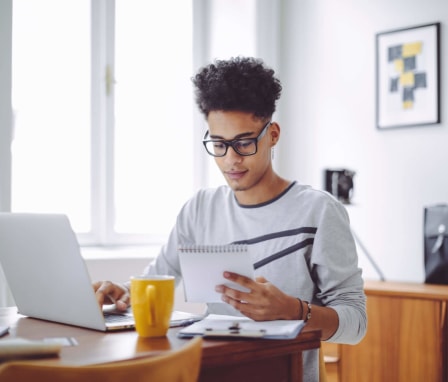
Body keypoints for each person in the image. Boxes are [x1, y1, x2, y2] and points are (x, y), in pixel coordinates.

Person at [94, 56, 367, 381]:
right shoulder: (199, 209)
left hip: (283, 373)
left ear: (273, 134)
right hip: (213, 371)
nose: (231, 159)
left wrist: (293, 310)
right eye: (219, 144)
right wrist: (121, 293)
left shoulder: (318, 211)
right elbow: (157, 282)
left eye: (244, 142)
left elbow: (356, 324)